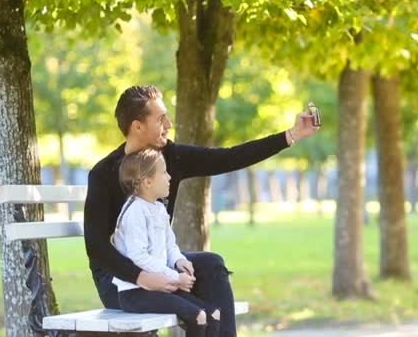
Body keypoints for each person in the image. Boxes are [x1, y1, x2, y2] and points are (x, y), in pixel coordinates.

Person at [84, 85, 319, 337]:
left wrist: (292, 134)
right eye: (161, 118)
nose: (169, 124)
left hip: (159, 266)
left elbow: (229, 158)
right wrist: (142, 277)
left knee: (211, 265)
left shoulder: (170, 157)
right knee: (198, 299)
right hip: (120, 282)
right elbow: (97, 246)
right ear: (137, 126)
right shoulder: (103, 174)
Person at [112, 148, 220, 337]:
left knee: (213, 314)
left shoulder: (158, 208)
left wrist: (179, 261)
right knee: (198, 316)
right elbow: (139, 257)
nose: (170, 177)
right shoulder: (135, 211)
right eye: (164, 172)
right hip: (135, 293)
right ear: (147, 182)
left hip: (159, 286)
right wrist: (175, 277)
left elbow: (170, 245)